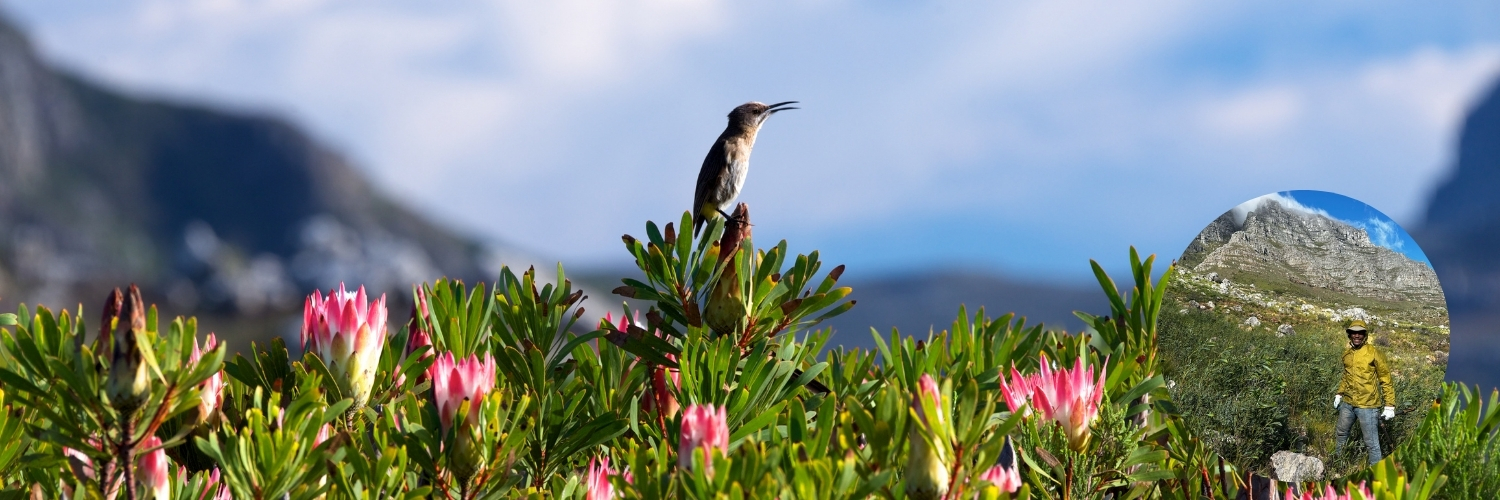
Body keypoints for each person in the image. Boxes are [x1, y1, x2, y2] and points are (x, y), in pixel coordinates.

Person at [1333, 319, 1396, 465]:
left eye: (1360, 333)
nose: (1357, 336)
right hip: (1348, 403)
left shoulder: (1374, 353)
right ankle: (1337, 464)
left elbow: (1385, 379)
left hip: (1368, 405)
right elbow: (1346, 376)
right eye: (1353, 333)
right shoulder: (1347, 354)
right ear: (1349, 335)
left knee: (1372, 444)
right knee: (1341, 434)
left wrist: (1390, 405)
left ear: (1365, 335)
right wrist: (1339, 394)